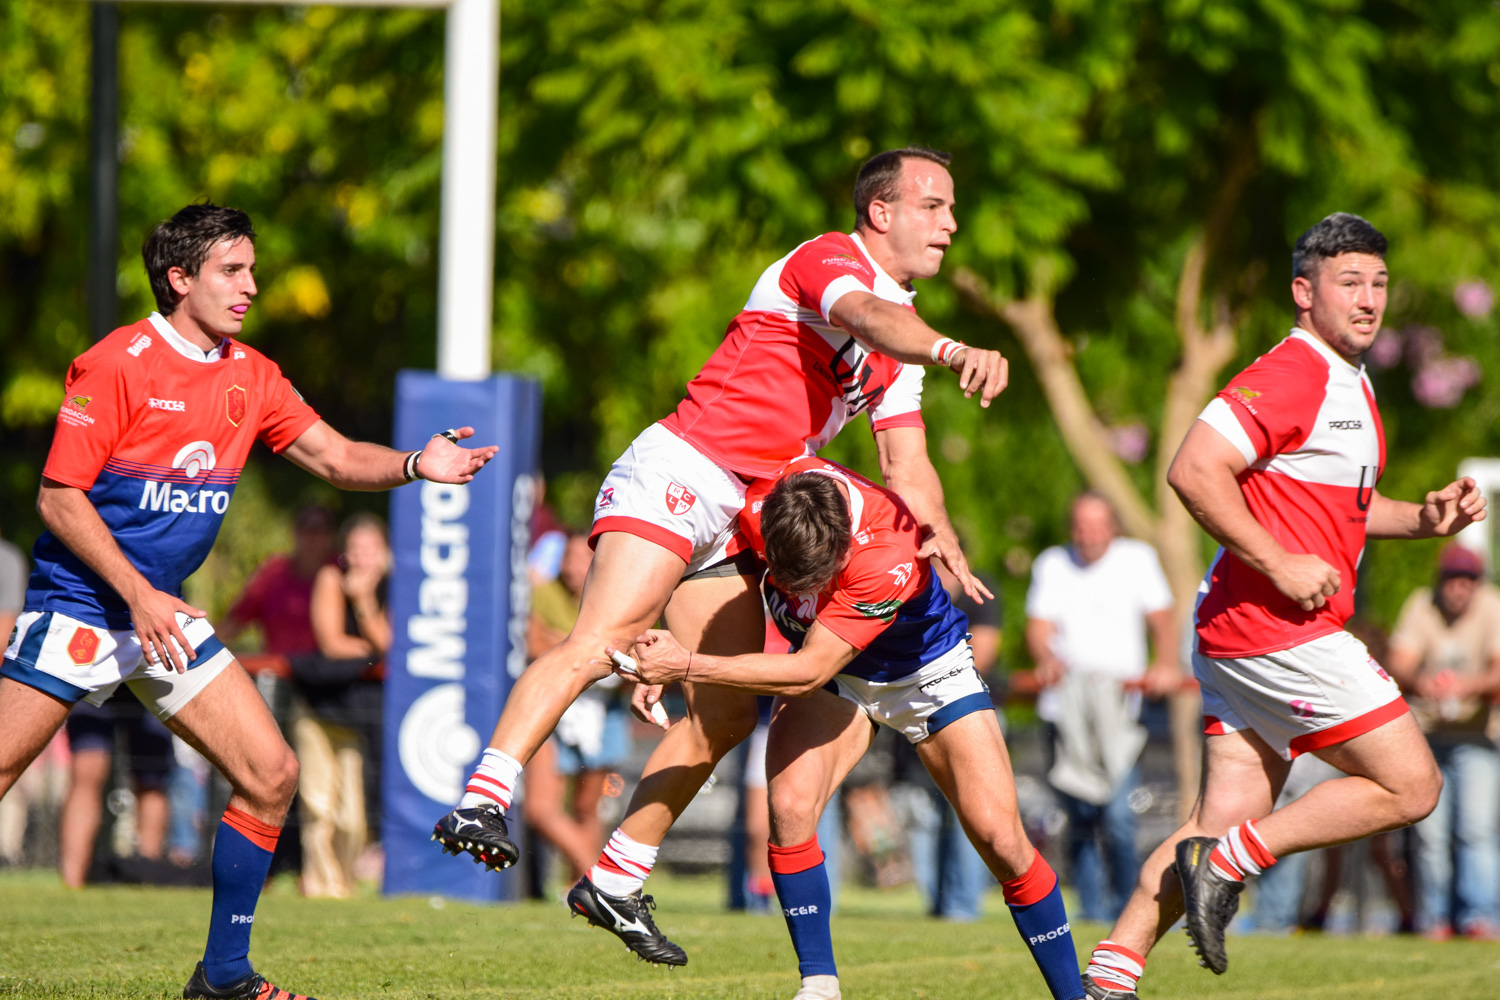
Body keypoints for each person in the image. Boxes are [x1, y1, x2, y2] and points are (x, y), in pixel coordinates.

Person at [432, 147, 1009, 964]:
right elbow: (872, 318)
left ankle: (617, 880)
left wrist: (938, 535)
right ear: (881, 212)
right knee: (600, 641)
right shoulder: (830, 262)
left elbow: (906, 464)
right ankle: (484, 798)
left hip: (751, 516)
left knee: (727, 706)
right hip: (688, 469)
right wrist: (952, 350)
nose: (951, 225)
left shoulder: (902, 346)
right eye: (935, 206)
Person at [0, 203, 496, 1000]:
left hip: (162, 616)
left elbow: (333, 456)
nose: (251, 286)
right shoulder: (116, 362)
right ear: (180, 277)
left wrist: (414, 463)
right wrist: (136, 595)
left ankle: (224, 977)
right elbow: (59, 500)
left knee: (271, 773)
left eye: (252, 270)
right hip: (83, 610)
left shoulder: (251, 374)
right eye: (233, 270)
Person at [1080, 213, 1486, 999]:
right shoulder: (1297, 370)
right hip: (1275, 630)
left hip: (1247, 633)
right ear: (1304, 293)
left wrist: (1425, 519)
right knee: (1413, 787)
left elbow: (1344, 512)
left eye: (1378, 283)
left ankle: (1107, 978)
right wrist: (1277, 561)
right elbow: (1194, 468)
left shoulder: (1350, 380)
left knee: (1210, 823)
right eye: (1349, 283)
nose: (1369, 299)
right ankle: (1230, 865)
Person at [617, 458, 1084, 1000]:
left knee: (1000, 839)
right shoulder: (758, 498)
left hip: (923, 671)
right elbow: (681, 556)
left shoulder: (888, 549)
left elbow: (806, 672)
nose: (799, 592)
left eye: (814, 579)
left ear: (842, 546)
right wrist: (647, 648)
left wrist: (685, 666)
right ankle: (819, 988)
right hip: (844, 674)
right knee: (789, 806)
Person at [1026, 492, 1177, 923]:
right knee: (1078, 813)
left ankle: (1130, 907)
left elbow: (1162, 619)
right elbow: (1039, 627)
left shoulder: (1138, 559)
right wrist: (1047, 659)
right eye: (1081, 526)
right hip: (1065, 708)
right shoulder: (1053, 564)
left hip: (1120, 708)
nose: (1089, 535)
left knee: (1116, 814)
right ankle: (1090, 911)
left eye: (1097, 525)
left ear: (1114, 526)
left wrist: (1164, 664)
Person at [1386, 543, 1500, 941]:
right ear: (1441, 581)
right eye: (1452, 579)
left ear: (1477, 584)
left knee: (1476, 830)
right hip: (1426, 737)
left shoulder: (1492, 607)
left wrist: (1469, 685)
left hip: (1477, 738)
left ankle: (1479, 918)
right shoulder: (1422, 605)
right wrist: (1421, 683)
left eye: (1467, 580)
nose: (1458, 589)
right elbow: (1399, 660)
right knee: (1429, 837)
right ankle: (1434, 919)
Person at [521, 532, 630, 884]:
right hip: (551, 708)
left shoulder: (621, 596)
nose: (571, 566)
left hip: (605, 712)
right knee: (540, 808)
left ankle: (575, 890)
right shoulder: (543, 594)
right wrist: (584, 650)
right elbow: (534, 644)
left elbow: (629, 658)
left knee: (588, 808)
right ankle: (596, 879)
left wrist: (564, 644)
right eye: (567, 557)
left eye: (581, 558)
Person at [295, 512, 390, 899]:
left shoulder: (398, 585)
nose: (364, 557)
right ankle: (321, 886)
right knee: (318, 806)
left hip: (362, 712)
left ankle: (345, 883)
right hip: (319, 706)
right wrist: (373, 650)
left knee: (353, 811)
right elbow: (332, 643)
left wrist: (364, 601)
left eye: (372, 549)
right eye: (357, 548)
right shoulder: (329, 579)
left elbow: (392, 644)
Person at [58, 691, 172, 887]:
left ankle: (148, 876)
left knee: (151, 781)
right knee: (86, 770)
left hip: (151, 676)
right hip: (94, 678)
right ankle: (72, 882)